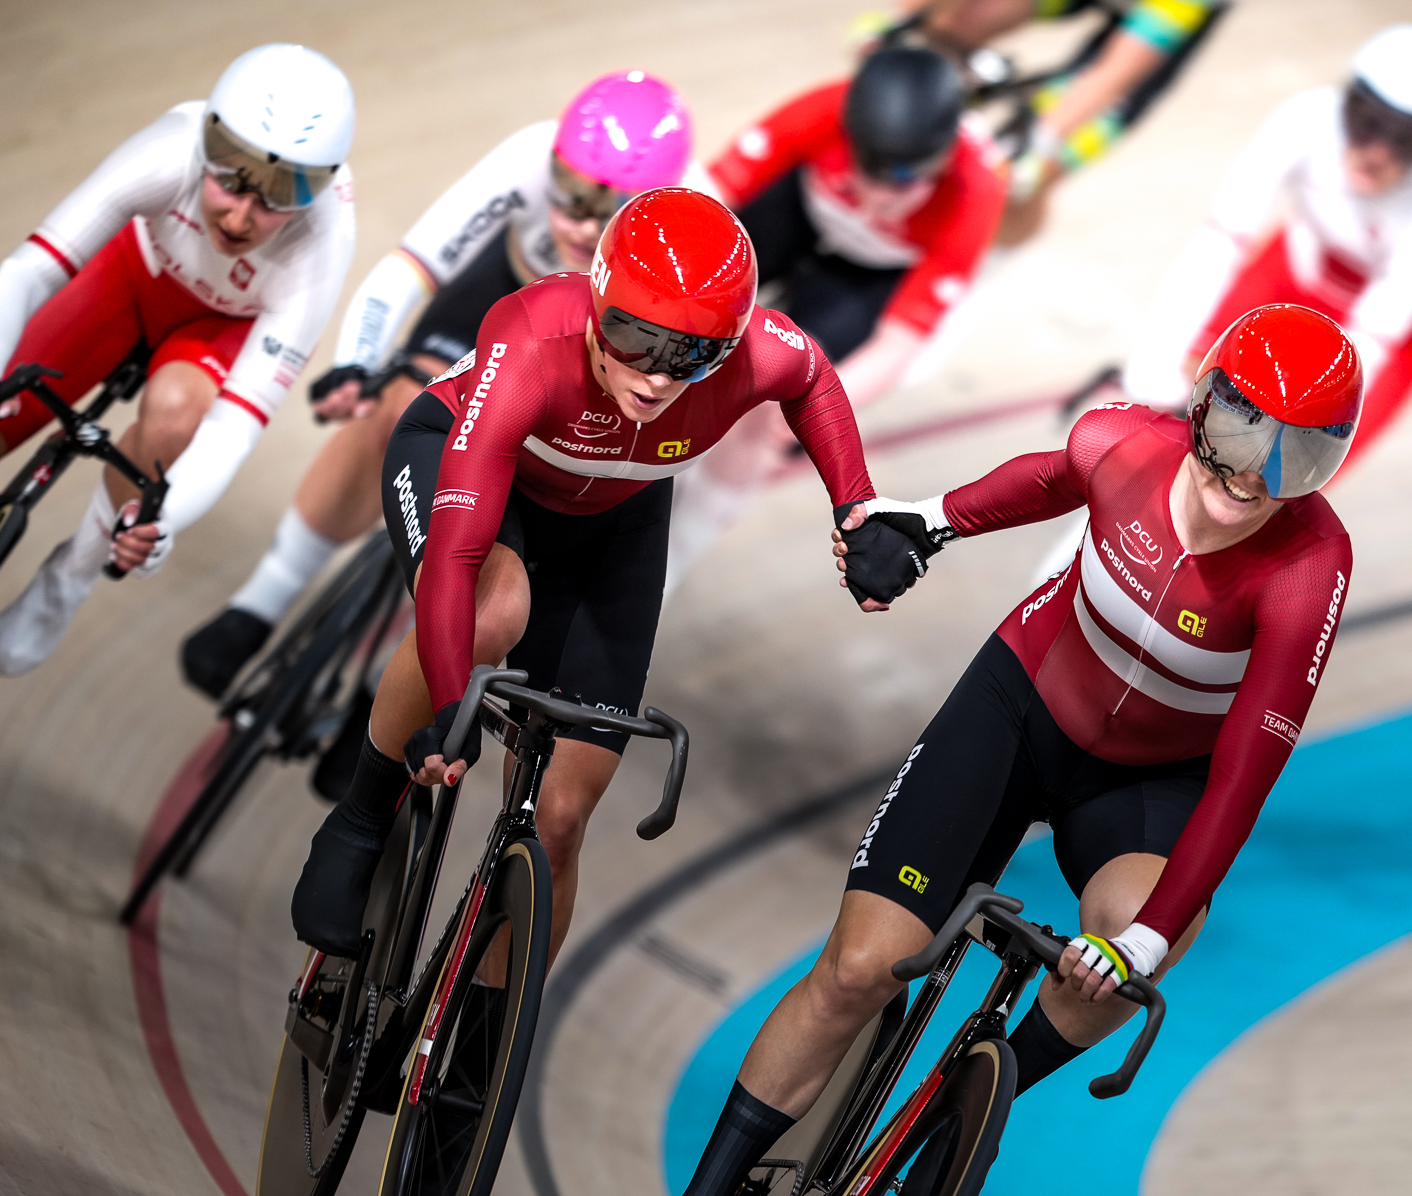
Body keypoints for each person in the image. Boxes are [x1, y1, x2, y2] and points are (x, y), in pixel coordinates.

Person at [611, 303, 1361, 1196]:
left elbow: (1244, 772)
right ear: (1203, 405)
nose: (1251, 479)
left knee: (1154, 936)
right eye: (1237, 437)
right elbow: (1044, 480)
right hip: (1018, 711)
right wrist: (926, 521)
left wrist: (1138, 947)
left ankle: (970, 1101)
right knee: (859, 968)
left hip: (1148, 782)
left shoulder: (1310, 568)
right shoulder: (1118, 442)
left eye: (1293, 460)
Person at [288, 189, 928, 1028]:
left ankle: (478, 1048)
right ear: (595, 302)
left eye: (692, 354)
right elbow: (456, 556)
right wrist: (449, 704)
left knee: (559, 815)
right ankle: (363, 815)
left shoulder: (752, 356)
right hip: (476, 465)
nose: (658, 375)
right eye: (634, 339)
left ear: (729, 346)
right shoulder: (529, 340)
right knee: (495, 610)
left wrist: (858, 508)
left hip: (614, 519)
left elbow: (812, 378)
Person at [179, 70, 706, 698]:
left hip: (599, 347)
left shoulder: (685, 231)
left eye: (610, 210)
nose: (582, 226)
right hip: (501, 299)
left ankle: (397, 681)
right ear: (553, 164)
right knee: (399, 404)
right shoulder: (526, 155)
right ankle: (265, 597)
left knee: (520, 511)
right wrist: (357, 364)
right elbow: (410, 268)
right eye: (568, 193)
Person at [0, 44, 355, 676]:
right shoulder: (172, 145)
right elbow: (28, 272)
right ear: (208, 142)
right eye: (231, 177)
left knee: (177, 415)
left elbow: (232, 429)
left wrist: (154, 519)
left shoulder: (323, 241)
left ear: (316, 190)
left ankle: (69, 577)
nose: (240, 215)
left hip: (219, 329)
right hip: (134, 275)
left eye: (277, 195)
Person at [662, 44, 1006, 593]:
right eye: (866, 172)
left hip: (871, 273)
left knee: (776, 402)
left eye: (901, 183)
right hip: (800, 211)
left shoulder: (978, 189)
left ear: (943, 160)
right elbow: (707, 192)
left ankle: (684, 542)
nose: (878, 199)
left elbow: (898, 344)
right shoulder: (824, 109)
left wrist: (814, 405)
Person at [1123, 23, 1412, 461]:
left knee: (1280, 475)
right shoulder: (1305, 120)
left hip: (1385, 331)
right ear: (1345, 104)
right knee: (1177, 399)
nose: (1379, 152)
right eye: (1367, 124)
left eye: (1408, 141)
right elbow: (1219, 242)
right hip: (1297, 267)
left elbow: (1373, 336)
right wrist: (1154, 357)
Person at [874, 0, 1229, 245]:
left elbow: (1110, 77)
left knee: (1031, 169)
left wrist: (1037, 144)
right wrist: (900, 19)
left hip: (1163, 16)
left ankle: (990, 250)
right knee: (962, 19)